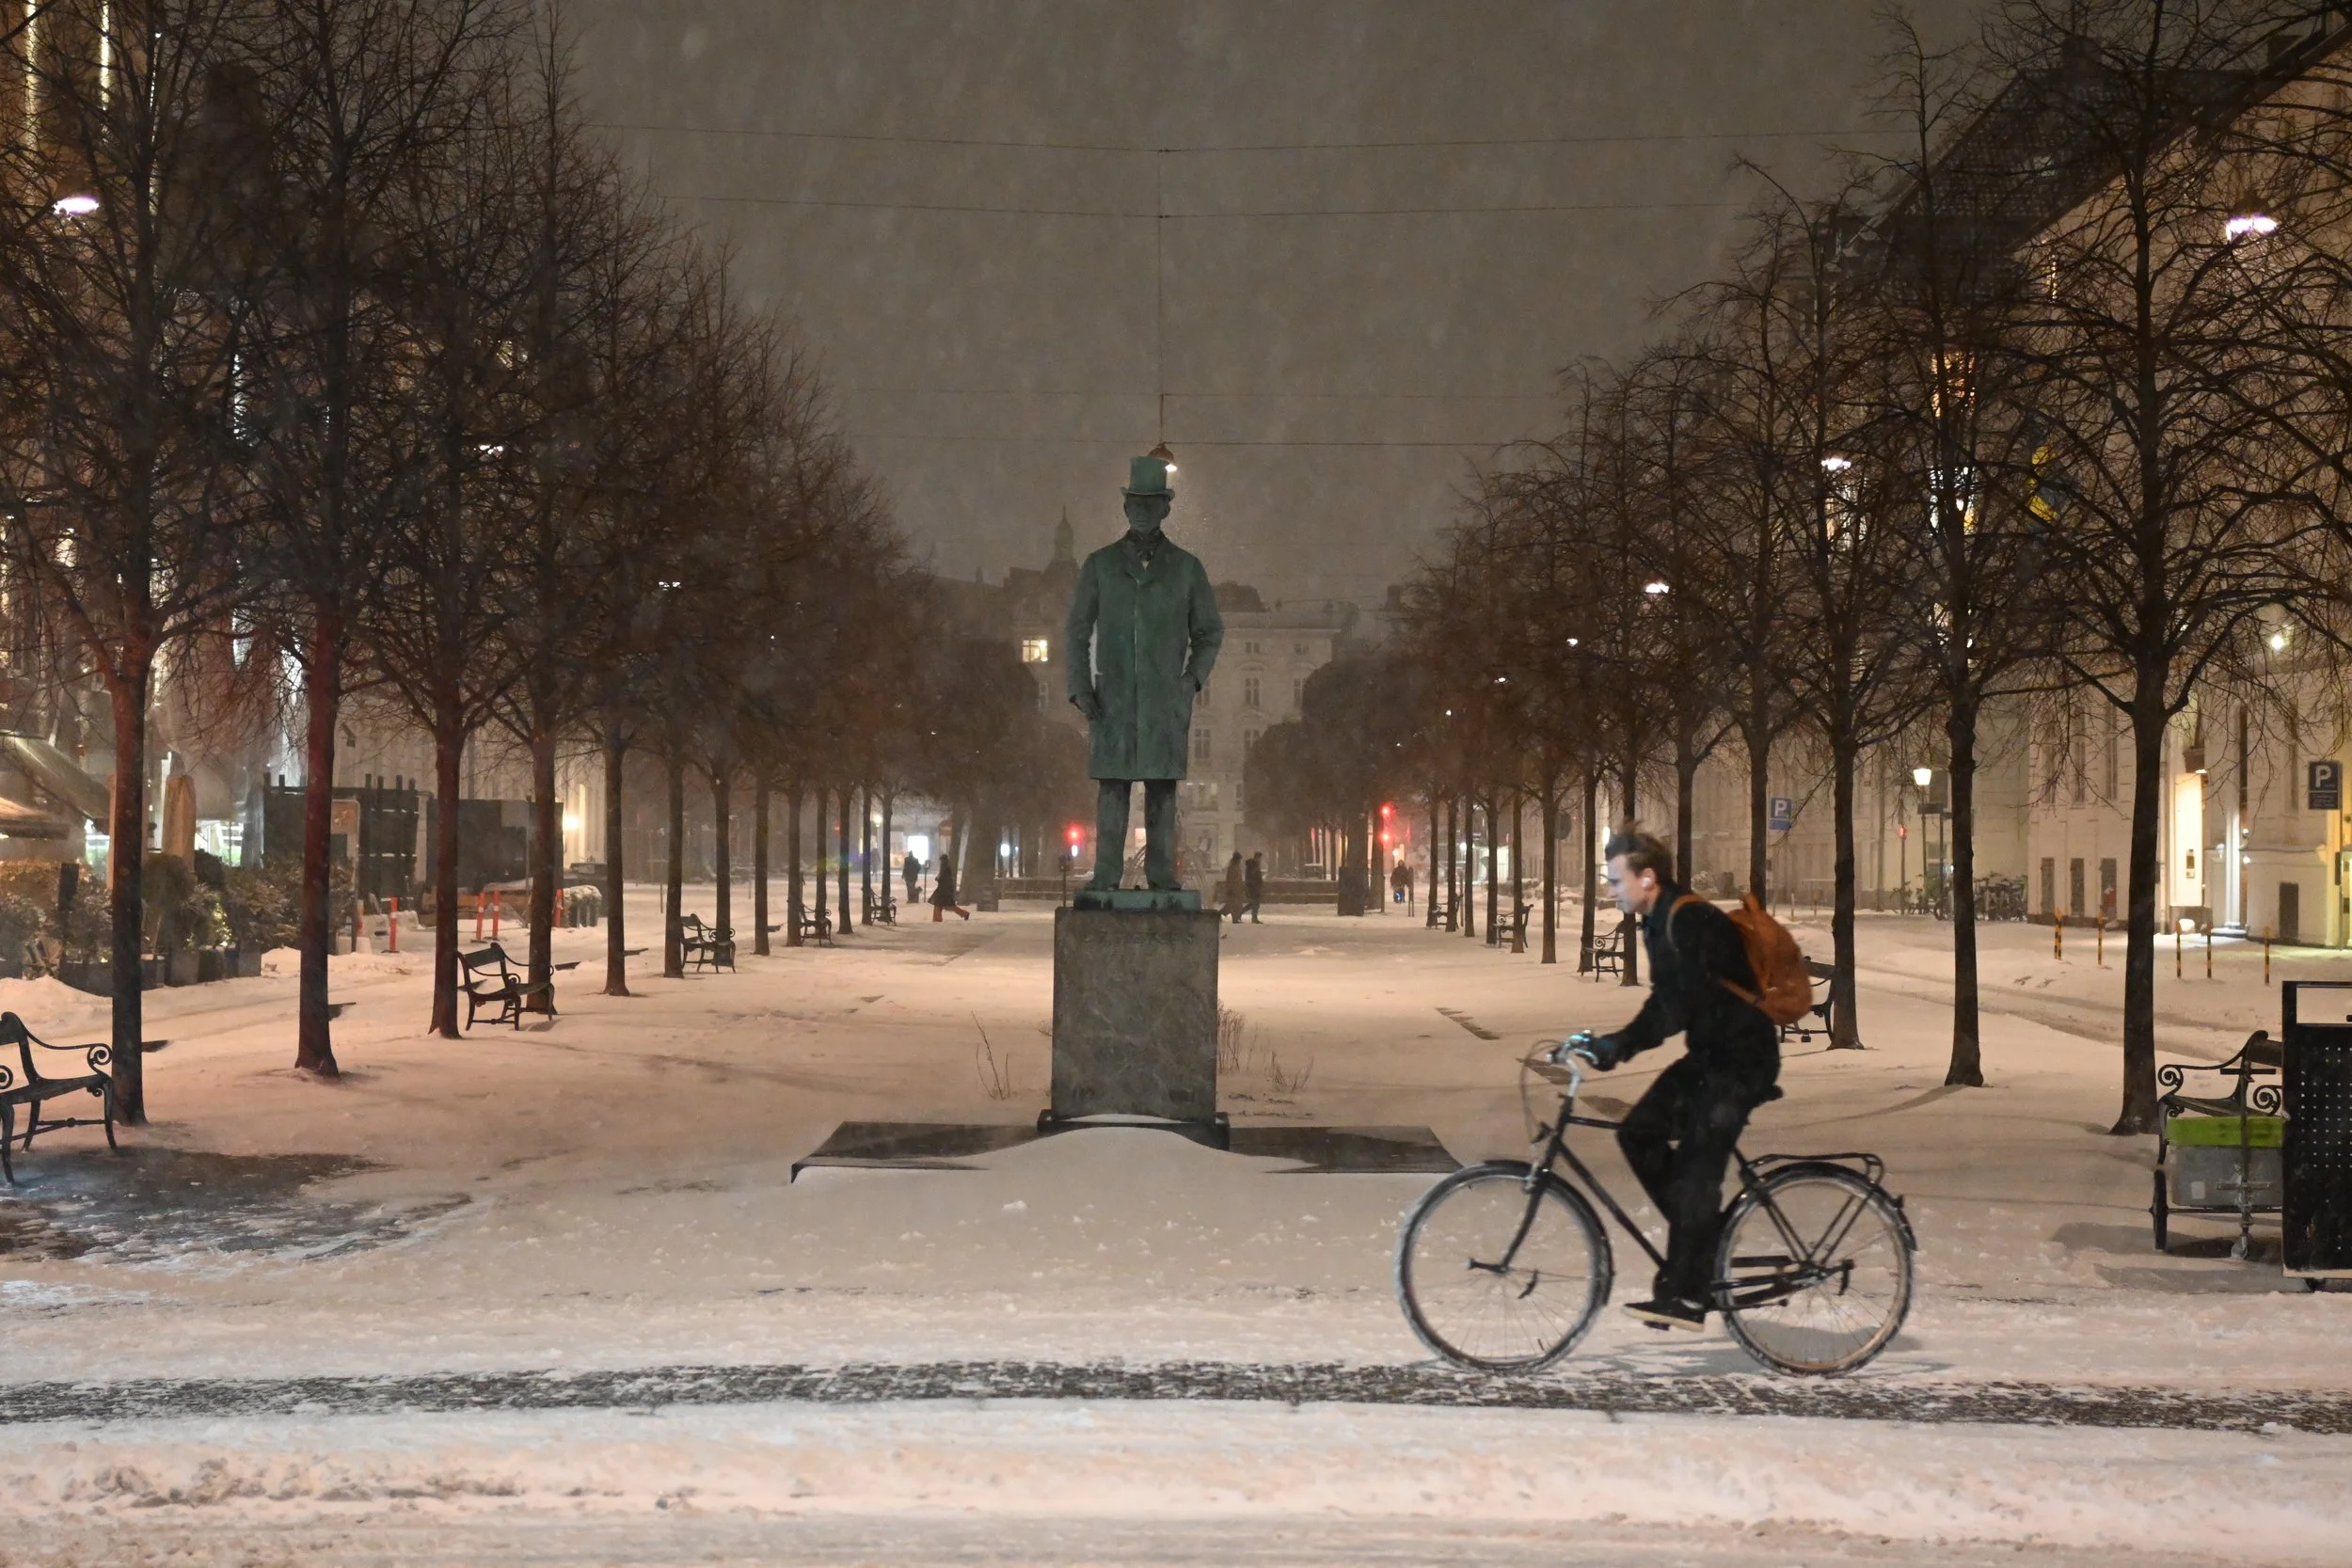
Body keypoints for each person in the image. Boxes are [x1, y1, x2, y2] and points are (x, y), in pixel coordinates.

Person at [1554, 824, 1780, 1333]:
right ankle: (1696, 1253)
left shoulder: (1690, 919)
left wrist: (1620, 1045)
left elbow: (1678, 1006)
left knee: (1698, 1172)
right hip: (1710, 1058)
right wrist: (1612, 1043)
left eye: (1616, 881)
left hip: (1741, 1062)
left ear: (1647, 878)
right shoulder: (1658, 921)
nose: (1612, 891)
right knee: (1639, 1133)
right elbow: (1667, 1004)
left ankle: (1689, 1287)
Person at [930, 854, 969, 922]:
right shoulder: (946, 867)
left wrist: (938, 879)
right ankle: (964, 914)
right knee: (943, 905)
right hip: (945, 890)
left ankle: (937, 919)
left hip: (943, 890)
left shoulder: (945, 868)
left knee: (943, 905)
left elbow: (943, 879)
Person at [1221, 851, 1246, 924]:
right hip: (1233, 890)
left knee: (1234, 905)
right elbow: (1231, 879)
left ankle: (1235, 918)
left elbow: (1239, 879)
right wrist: (1231, 888)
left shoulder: (1237, 867)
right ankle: (1234, 919)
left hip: (1237, 889)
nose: (1239, 861)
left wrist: (1241, 887)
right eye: (1239, 860)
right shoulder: (1232, 868)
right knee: (1234, 905)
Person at [1243, 852, 1264, 924]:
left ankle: (1253, 918)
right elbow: (1253, 877)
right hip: (1253, 888)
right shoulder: (1254, 866)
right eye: (1260, 858)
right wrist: (1256, 886)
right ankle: (1252, 917)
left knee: (1254, 904)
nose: (1260, 860)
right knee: (1254, 904)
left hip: (1253, 887)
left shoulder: (1253, 865)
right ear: (1257, 858)